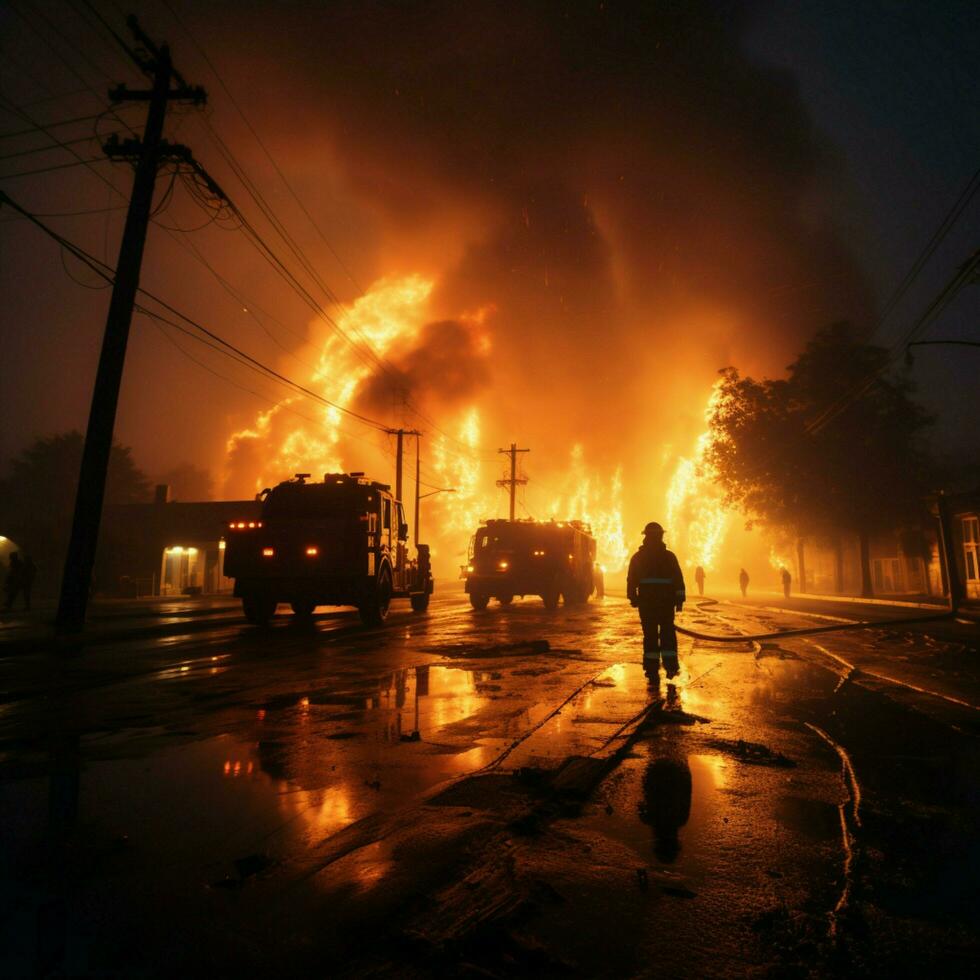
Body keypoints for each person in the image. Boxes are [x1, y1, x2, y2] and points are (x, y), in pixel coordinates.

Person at [627, 522, 685, 674]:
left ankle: (652, 668)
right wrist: (679, 601)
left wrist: (633, 598)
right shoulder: (669, 557)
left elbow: (631, 580)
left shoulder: (638, 557)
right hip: (666, 603)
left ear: (645, 536)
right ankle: (671, 666)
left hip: (647, 603)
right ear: (661, 536)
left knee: (650, 635)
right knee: (667, 633)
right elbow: (678, 580)